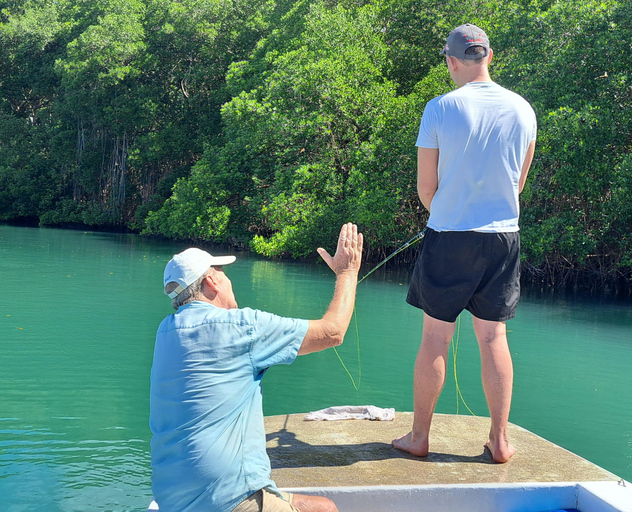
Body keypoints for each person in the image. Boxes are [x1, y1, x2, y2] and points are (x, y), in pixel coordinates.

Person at [392, 24, 537, 464]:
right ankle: (500, 441)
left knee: (436, 338)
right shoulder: (523, 109)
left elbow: (425, 187)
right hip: (503, 237)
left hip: (450, 236)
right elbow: (519, 184)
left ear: (452, 61)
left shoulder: (439, 108)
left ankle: (419, 437)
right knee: (494, 337)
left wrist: (449, 214)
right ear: (489, 56)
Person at [150, 223, 363, 512]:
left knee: (317, 505)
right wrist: (347, 272)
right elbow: (333, 332)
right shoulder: (242, 327)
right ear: (212, 282)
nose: (229, 282)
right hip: (227, 499)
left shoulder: (166, 333)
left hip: (172, 500)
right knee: (326, 510)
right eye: (224, 276)